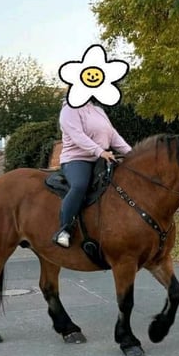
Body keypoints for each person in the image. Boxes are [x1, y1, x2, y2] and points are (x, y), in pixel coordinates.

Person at [53, 99, 132, 248]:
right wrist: (100, 151)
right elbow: (78, 136)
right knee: (79, 185)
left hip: (101, 158)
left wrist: (132, 154)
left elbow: (113, 135)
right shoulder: (69, 109)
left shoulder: (98, 111)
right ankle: (64, 230)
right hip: (76, 159)